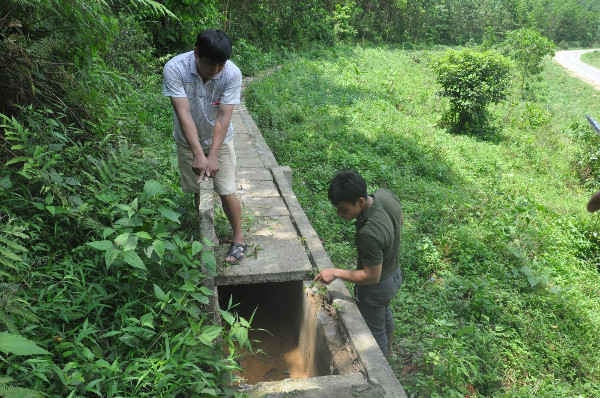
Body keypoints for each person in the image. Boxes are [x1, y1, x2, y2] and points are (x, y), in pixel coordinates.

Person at [162, 29, 246, 264]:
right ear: (196, 52)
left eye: (221, 64)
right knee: (197, 188)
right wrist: (199, 153)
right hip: (187, 140)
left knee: (226, 189)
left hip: (220, 139)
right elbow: (183, 112)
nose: (216, 71)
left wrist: (214, 154)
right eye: (211, 64)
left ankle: (239, 238)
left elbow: (223, 116)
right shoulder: (175, 68)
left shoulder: (232, 73)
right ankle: (207, 234)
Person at [314, 170, 403, 357]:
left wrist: (335, 272)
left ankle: (383, 367)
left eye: (344, 210)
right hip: (394, 273)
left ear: (361, 202)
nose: (340, 214)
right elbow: (400, 220)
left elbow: (372, 276)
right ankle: (389, 352)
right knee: (383, 313)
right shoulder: (384, 197)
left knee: (374, 330)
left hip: (377, 287)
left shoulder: (368, 234)